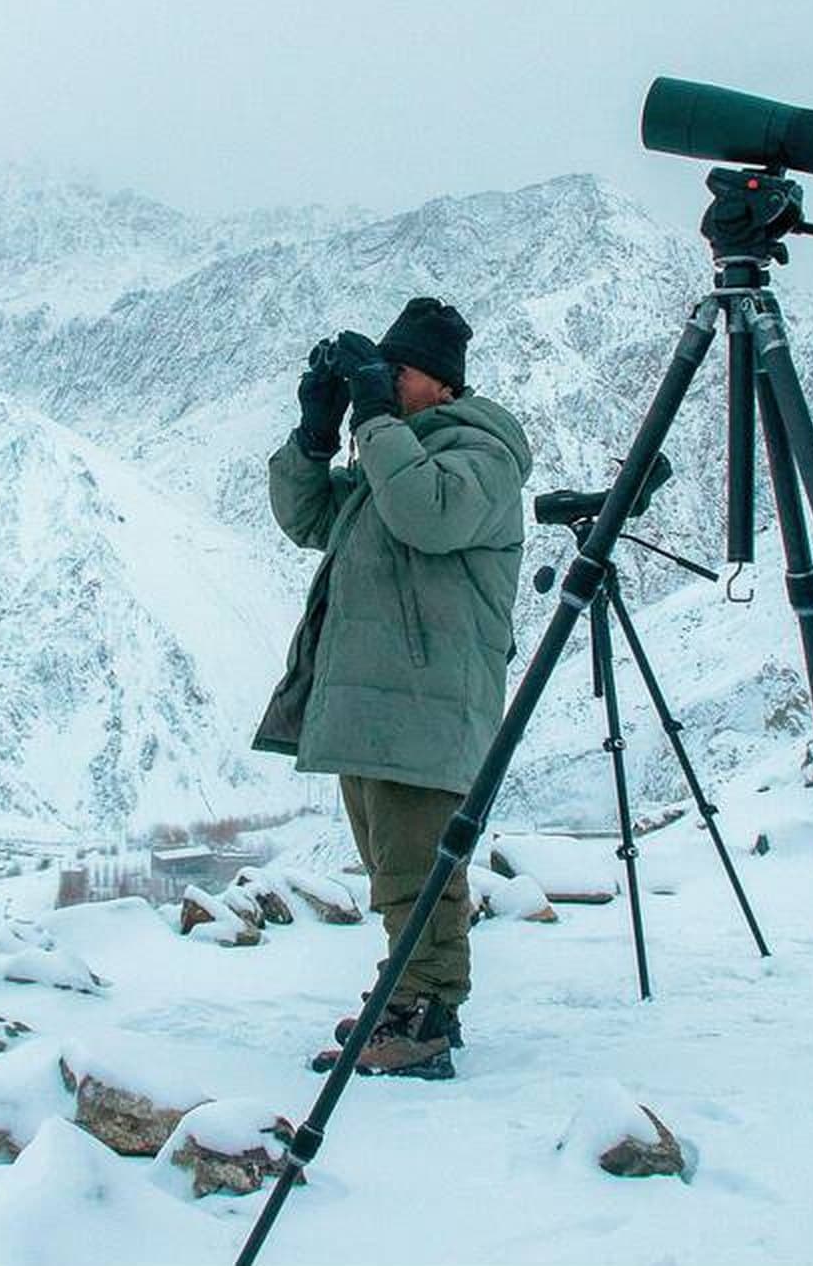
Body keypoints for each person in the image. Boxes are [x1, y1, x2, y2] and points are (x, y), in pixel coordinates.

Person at [252, 296, 532, 1080]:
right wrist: (316, 433)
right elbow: (306, 519)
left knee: (419, 868)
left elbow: (430, 515)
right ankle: (410, 992)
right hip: (372, 698)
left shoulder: (479, 457)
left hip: (427, 699)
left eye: (396, 370)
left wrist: (373, 421)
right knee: (391, 867)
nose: (385, 380)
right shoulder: (394, 454)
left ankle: (426, 1014)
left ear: (441, 383)